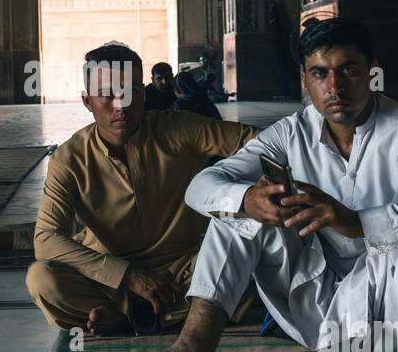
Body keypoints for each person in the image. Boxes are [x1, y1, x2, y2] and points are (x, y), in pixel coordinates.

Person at [106, 16, 398, 352]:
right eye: (320, 73)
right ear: (304, 81)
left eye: (348, 70)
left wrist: (360, 221)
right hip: (320, 316)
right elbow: (201, 187)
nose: (335, 87)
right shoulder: (288, 135)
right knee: (241, 207)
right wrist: (246, 200)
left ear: (370, 72)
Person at [25, 42, 261, 335]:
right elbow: (46, 240)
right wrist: (128, 276)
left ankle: (131, 319)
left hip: (188, 268)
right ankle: (177, 312)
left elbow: (259, 142)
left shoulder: (179, 128)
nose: (121, 104)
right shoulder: (70, 158)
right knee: (42, 279)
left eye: (132, 91)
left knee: (259, 237)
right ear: (87, 101)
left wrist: (245, 191)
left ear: (144, 92)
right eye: (108, 94)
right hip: (110, 279)